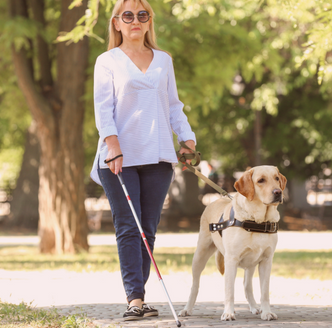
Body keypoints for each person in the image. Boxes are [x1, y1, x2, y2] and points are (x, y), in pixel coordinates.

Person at [89, 0, 196, 321]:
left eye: (142, 15)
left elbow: (173, 105)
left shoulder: (164, 61)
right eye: (128, 15)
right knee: (128, 227)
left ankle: (141, 296)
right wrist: (113, 144)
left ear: (149, 22)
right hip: (118, 157)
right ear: (117, 23)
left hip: (159, 156)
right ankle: (134, 299)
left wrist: (187, 139)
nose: (135, 20)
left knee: (147, 229)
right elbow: (103, 109)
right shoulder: (107, 61)